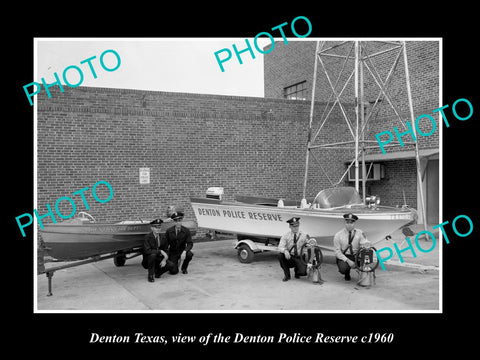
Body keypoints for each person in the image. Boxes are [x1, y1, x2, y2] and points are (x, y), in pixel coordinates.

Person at [333, 213, 371, 281]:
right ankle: (347, 273)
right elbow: (337, 252)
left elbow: (365, 243)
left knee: (368, 252)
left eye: (351, 223)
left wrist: (366, 244)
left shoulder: (360, 232)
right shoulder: (338, 235)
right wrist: (348, 261)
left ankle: (364, 273)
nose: (349, 225)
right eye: (347, 222)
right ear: (345, 223)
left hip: (356, 255)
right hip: (345, 256)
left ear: (354, 223)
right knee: (343, 269)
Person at [278, 217, 309, 281]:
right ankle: (287, 275)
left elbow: (310, 243)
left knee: (302, 273)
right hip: (290, 257)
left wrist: (310, 243)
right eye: (293, 226)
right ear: (290, 226)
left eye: (297, 226)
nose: (296, 228)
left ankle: (297, 271)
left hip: (300, 257)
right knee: (280, 256)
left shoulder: (304, 235)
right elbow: (280, 246)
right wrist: (285, 251)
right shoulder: (286, 235)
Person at [141, 218, 173, 282]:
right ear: (152, 228)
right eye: (156, 227)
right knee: (152, 255)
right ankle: (150, 275)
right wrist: (160, 251)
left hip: (158, 258)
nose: (158, 229)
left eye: (159, 227)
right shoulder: (147, 237)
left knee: (171, 265)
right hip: (148, 260)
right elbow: (147, 251)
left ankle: (158, 273)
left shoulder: (163, 237)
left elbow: (166, 250)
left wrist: (164, 259)